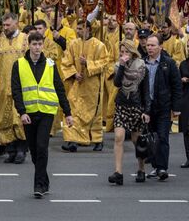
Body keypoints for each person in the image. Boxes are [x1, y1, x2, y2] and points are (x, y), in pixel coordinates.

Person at [12, 32, 73, 198]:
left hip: (46, 112)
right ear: (28, 45)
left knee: (41, 147)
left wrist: (68, 112)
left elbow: (59, 88)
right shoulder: (19, 64)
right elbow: (16, 90)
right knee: (33, 150)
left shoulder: (51, 64)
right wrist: (22, 112)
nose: (37, 48)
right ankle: (44, 179)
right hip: (29, 113)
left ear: (43, 45)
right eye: (34, 44)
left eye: (40, 44)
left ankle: (38, 185)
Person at [0, 13, 29, 163]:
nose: (5, 28)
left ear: (16, 23)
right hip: (2, 88)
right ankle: (11, 150)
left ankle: (22, 150)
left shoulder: (25, 40)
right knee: (5, 119)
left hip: (21, 88)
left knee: (19, 119)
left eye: (8, 25)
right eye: (4, 25)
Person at [59, 20, 108, 152]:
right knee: (73, 111)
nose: (78, 31)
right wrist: (74, 74)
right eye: (77, 28)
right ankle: (73, 140)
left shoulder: (99, 45)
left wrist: (88, 63)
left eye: (81, 28)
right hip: (77, 85)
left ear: (89, 30)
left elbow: (104, 63)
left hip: (92, 86)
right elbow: (66, 62)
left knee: (93, 114)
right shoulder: (73, 44)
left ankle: (97, 140)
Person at [108, 41, 149, 185]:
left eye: (126, 51)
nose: (123, 54)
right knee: (119, 137)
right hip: (121, 105)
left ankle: (141, 168)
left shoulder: (142, 65)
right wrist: (122, 66)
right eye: (121, 51)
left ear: (132, 52)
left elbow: (145, 90)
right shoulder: (119, 65)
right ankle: (118, 172)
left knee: (137, 140)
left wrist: (146, 110)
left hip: (136, 106)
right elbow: (117, 83)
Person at [142, 35, 183, 180]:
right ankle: (155, 165)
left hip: (164, 106)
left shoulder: (168, 63)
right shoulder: (142, 63)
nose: (150, 48)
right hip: (148, 107)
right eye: (148, 45)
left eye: (153, 45)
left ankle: (162, 168)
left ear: (160, 47)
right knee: (152, 138)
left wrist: (176, 107)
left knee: (163, 136)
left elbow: (177, 86)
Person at [179, 53, 189, 169]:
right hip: (186, 98)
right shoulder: (183, 64)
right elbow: (178, 80)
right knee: (186, 129)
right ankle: (188, 157)